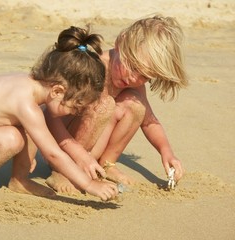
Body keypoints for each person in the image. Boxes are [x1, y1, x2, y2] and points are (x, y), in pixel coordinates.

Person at [0, 26, 119, 201]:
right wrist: (89, 185)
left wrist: (83, 157)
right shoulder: (25, 103)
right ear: (57, 91)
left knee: (32, 124)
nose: (74, 112)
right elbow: (54, 154)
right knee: (12, 138)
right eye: (73, 106)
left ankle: (19, 180)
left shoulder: (32, 88)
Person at [45, 15, 188, 194]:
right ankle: (64, 171)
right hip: (62, 145)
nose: (134, 78)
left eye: (144, 76)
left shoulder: (134, 83)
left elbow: (149, 121)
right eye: (133, 66)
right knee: (105, 103)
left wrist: (166, 151)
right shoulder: (92, 69)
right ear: (121, 43)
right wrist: (72, 153)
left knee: (136, 106)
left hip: (87, 153)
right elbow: (50, 116)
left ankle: (106, 164)